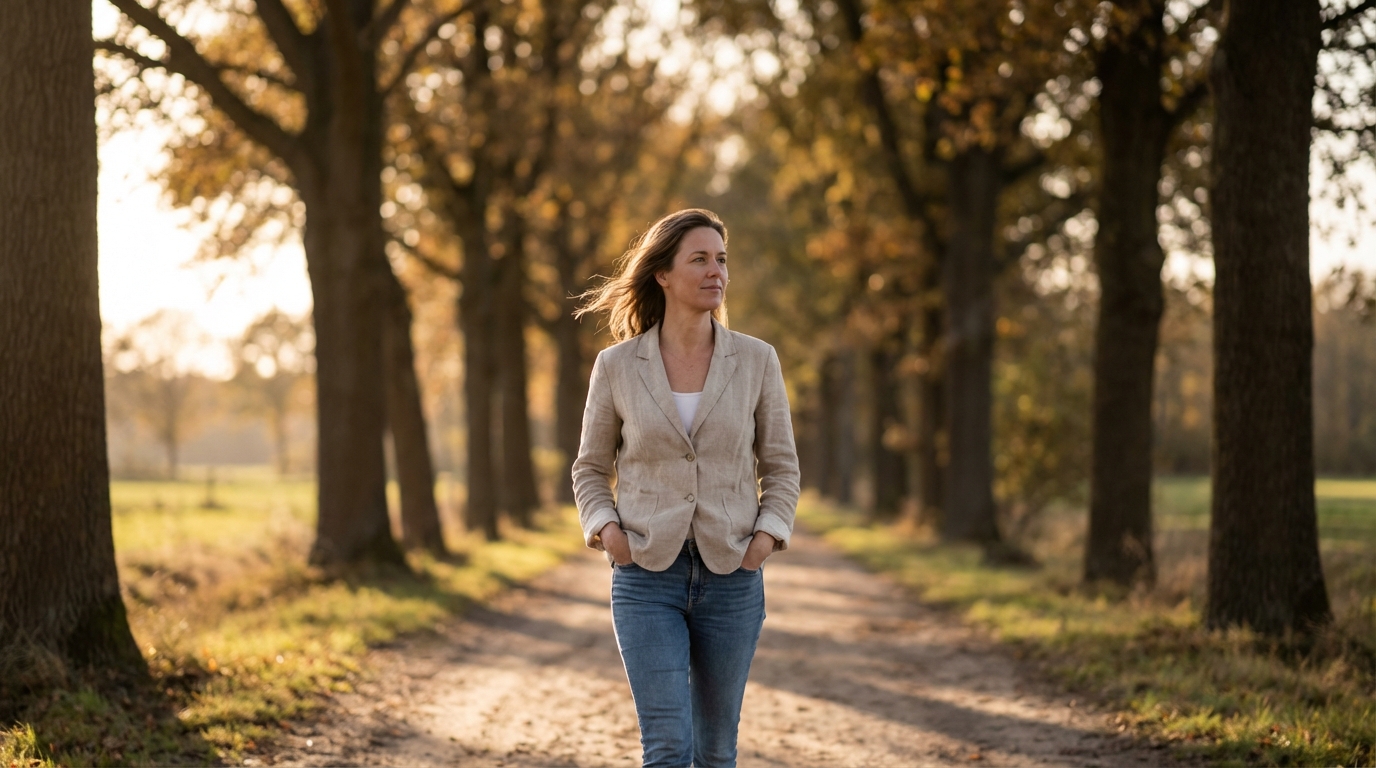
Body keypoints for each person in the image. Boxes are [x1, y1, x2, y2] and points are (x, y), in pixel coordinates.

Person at [572, 208, 801, 768]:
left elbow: (782, 467)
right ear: (663, 275)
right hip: (646, 577)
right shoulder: (617, 366)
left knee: (716, 751)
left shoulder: (757, 360)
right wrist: (607, 531)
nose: (715, 271)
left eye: (721, 259)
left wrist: (766, 539)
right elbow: (589, 468)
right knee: (668, 747)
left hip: (733, 579)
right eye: (698, 259)